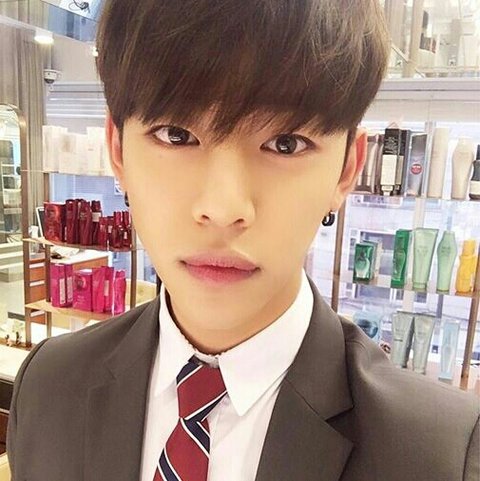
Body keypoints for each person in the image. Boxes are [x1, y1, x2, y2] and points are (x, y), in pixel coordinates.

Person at [7, 1, 479, 480]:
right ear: (118, 149)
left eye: (285, 143)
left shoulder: (438, 456)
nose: (223, 208)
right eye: (176, 135)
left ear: (346, 170)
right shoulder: (49, 387)